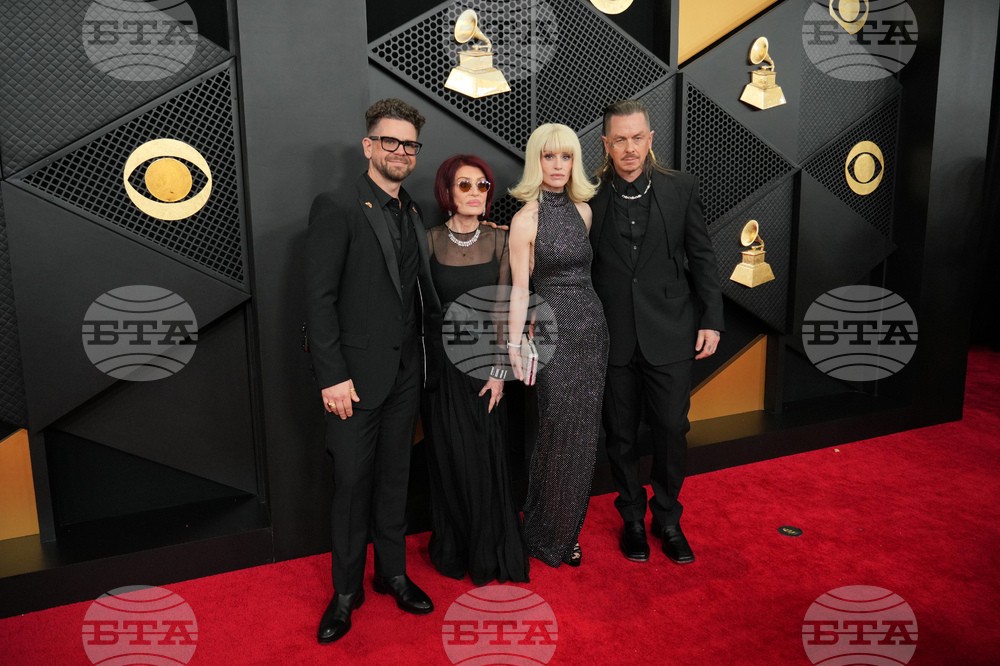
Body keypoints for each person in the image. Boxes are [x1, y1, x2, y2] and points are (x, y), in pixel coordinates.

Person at [305, 98, 442, 644]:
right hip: (353, 380)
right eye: (390, 142)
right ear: (368, 147)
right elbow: (318, 299)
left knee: (395, 479)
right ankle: (345, 591)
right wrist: (331, 376)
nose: (401, 151)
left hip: (405, 371)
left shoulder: (412, 212)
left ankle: (392, 574)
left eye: (409, 144)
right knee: (352, 483)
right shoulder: (336, 206)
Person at [589, 100, 724, 565]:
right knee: (621, 435)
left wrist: (712, 318)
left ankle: (668, 518)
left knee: (670, 428)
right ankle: (631, 518)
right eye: (619, 139)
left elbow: (702, 257)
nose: (630, 148)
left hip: (671, 330)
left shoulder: (679, 187)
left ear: (650, 138)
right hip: (611, 336)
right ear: (606, 144)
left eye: (637, 137)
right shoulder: (587, 194)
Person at [422, 155, 530, 586]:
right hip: (442, 366)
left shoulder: (502, 241)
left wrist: (501, 369)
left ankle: (489, 550)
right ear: (446, 191)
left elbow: (507, 308)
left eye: (482, 186)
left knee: (485, 458)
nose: (474, 193)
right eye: (463, 185)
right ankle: (455, 547)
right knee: (449, 457)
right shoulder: (427, 240)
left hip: (486, 364)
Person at [507, 124, 609, 568]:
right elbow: (518, 290)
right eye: (549, 157)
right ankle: (547, 529)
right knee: (555, 429)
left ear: (574, 163)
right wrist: (513, 344)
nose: (557, 166)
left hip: (593, 329)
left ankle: (568, 528)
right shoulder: (525, 219)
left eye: (565, 158)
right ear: (537, 161)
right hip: (552, 333)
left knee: (584, 435)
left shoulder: (584, 211)